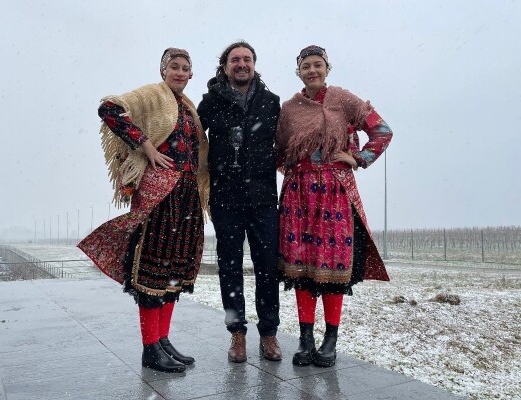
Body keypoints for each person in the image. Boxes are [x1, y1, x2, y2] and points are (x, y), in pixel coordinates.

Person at [78, 48, 209, 373]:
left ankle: (163, 340)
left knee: (175, 268)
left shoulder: (188, 107)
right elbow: (109, 108)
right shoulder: (152, 94)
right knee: (154, 266)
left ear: (191, 74)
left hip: (187, 194)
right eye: (174, 67)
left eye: (185, 68)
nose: (180, 73)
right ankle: (150, 348)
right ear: (163, 70)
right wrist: (146, 144)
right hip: (159, 193)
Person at [275, 45, 393, 368]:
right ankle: (305, 340)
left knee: (332, 268)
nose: (312, 71)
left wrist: (358, 158)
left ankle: (330, 340)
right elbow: (278, 152)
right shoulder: (289, 110)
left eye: (318, 65)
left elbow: (382, 131)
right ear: (298, 72)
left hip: (334, 194)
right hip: (298, 196)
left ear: (327, 68)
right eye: (306, 66)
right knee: (301, 269)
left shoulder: (343, 100)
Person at [197, 41, 282, 363]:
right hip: (226, 200)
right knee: (230, 268)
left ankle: (269, 333)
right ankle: (237, 334)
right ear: (225, 65)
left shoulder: (271, 102)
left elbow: (288, 142)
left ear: (254, 64)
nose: (242, 64)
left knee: (267, 269)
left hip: (263, 199)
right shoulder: (210, 102)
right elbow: (190, 136)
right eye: (235, 59)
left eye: (247, 59)